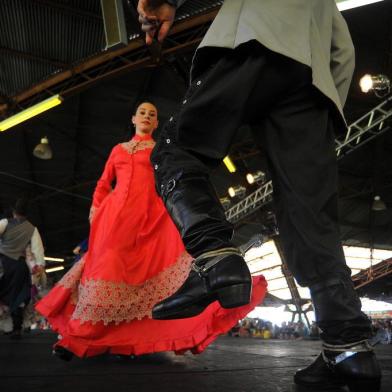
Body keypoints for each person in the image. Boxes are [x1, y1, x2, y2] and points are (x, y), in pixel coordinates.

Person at [137, 0, 381, 390]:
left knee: (175, 149)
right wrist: (324, 105)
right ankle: (348, 347)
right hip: (314, 83)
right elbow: (342, 51)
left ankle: (216, 258)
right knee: (310, 218)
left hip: (258, 39)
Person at [35, 102, 266, 360]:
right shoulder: (118, 150)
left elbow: (169, 180)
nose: (147, 116)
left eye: (152, 114)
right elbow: (103, 183)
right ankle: (77, 338)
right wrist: (96, 209)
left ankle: (124, 342)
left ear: (157, 123)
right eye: (142, 113)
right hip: (114, 220)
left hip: (153, 219)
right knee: (106, 271)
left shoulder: (161, 150)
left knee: (148, 275)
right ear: (133, 118)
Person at [0, 199, 44, 339]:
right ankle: (17, 328)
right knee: (17, 298)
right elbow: (38, 251)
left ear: (14, 212)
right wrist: (40, 267)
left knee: (3, 295)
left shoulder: (5, 223)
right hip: (19, 267)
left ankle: (5, 326)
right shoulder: (32, 229)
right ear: (27, 214)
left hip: (3, 263)